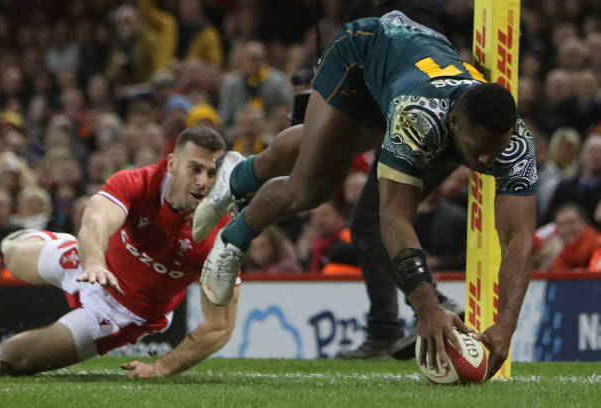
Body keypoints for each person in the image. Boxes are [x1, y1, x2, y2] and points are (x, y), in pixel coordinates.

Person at [193, 12, 538, 378]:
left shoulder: (514, 144)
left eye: (495, 151)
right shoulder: (416, 119)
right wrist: (426, 304)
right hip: (363, 53)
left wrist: (507, 324)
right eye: (478, 149)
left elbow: (518, 238)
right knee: (310, 188)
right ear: (454, 123)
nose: (486, 160)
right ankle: (232, 239)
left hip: (411, 68)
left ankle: (238, 172)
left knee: (327, 142)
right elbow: (392, 216)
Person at [0, 126, 238, 378]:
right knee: (12, 251)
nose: (202, 181)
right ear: (173, 164)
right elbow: (95, 220)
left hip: (120, 312)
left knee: (13, 360)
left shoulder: (222, 237)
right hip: (92, 264)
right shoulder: (138, 182)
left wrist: (162, 367)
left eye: (211, 173)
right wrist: (95, 263)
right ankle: (64, 242)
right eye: (194, 169)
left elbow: (220, 326)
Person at [549, 203, 601, 272]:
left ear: (585, 222)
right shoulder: (560, 255)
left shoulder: (598, 246)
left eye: (571, 222)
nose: (567, 229)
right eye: (561, 225)